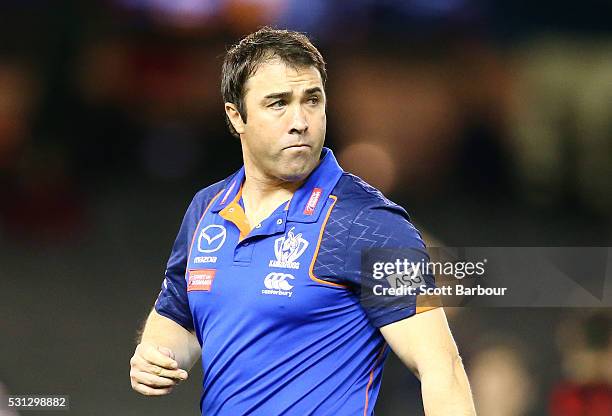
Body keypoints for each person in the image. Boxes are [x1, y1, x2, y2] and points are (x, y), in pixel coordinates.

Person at [129, 27, 476, 415]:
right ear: (236, 116)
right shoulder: (206, 209)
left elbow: (440, 368)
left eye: (312, 100)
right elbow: (179, 314)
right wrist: (156, 353)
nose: (300, 121)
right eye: (278, 103)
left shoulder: (368, 222)